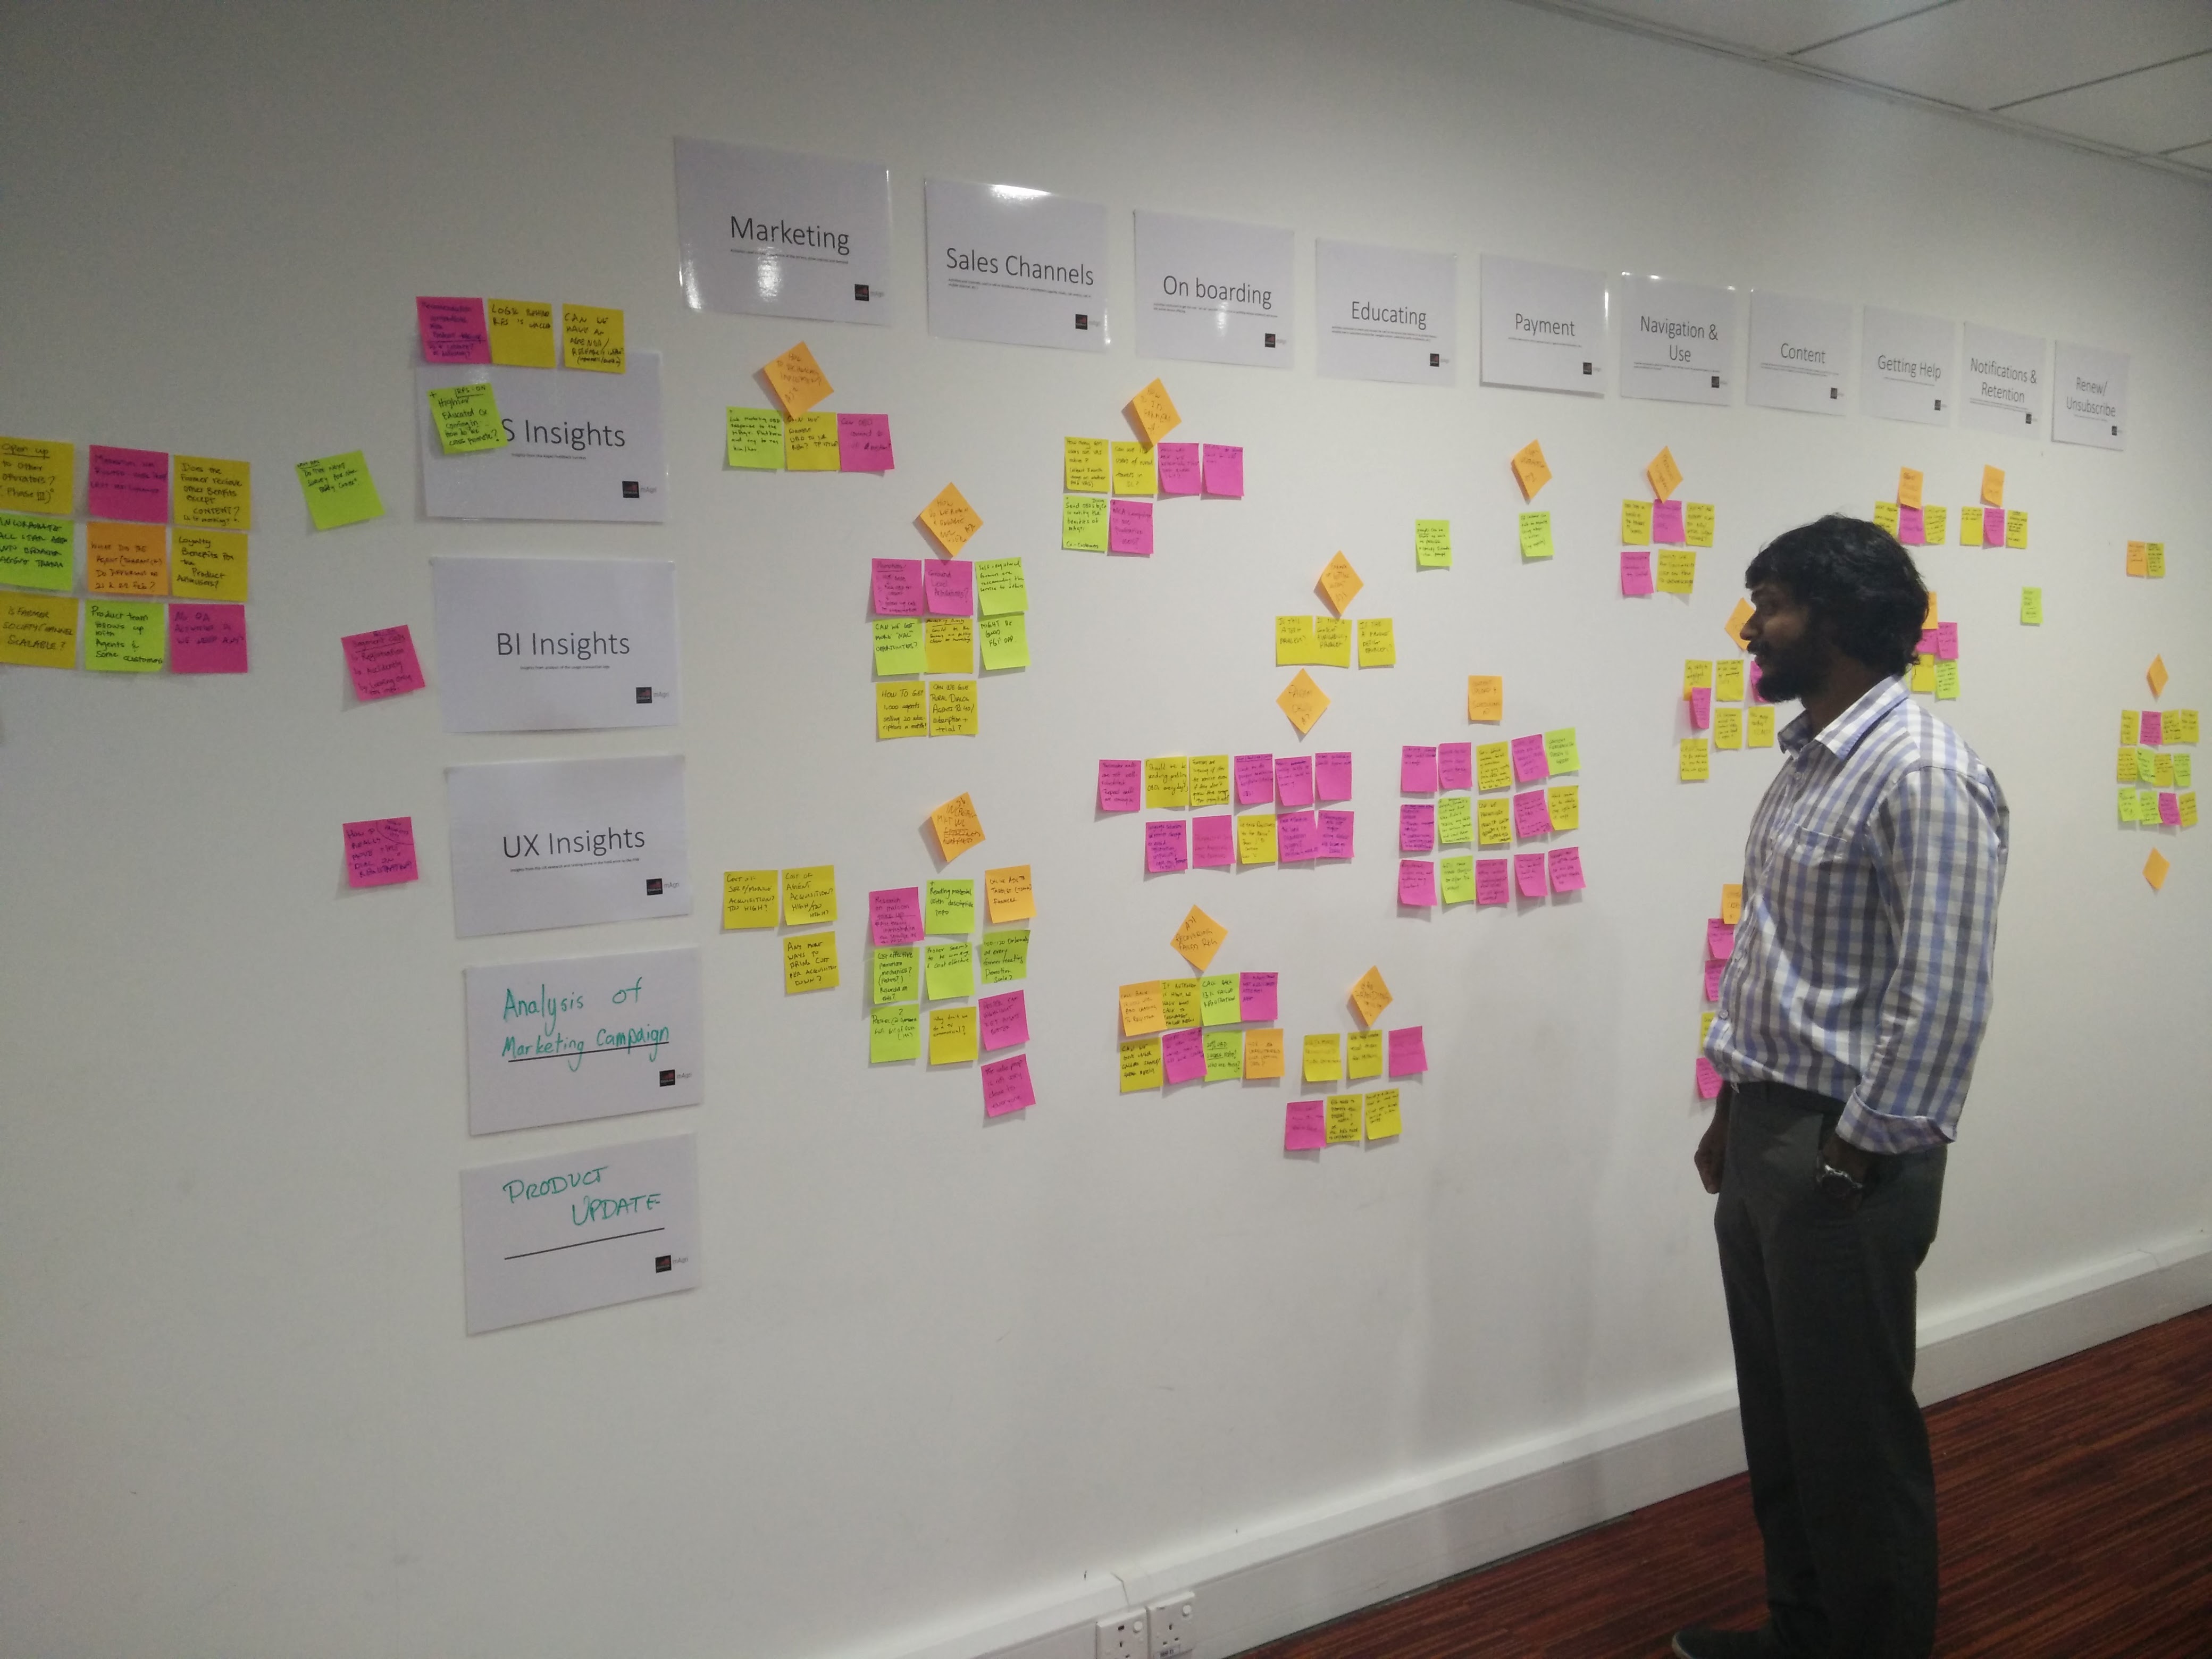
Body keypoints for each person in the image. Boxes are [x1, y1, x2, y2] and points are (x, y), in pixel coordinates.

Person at [1675, 516, 2010, 1659]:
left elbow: (1943, 990)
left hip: (1843, 1155)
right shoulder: (1811, 761)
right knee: (1783, 1419)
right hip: (1768, 1131)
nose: (1749, 627)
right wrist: (1732, 1109)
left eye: (1770, 604)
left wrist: (1853, 1158)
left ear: (1840, 618)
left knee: (1852, 1438)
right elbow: (1775, 957)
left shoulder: (1922, 772)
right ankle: (1803, 1630)